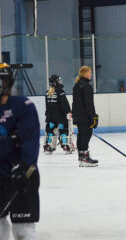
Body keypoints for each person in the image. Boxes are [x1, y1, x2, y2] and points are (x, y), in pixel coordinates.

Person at [0, 63, 40, 240]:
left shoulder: (23, 105)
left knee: (23, 230)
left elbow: (30, 140)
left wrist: (25, 169)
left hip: (20, 174)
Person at [72, 66, 99, 167]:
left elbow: (74, 103)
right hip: (85, 116)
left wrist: (74, 114)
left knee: (81, 135)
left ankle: (81, 156)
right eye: (90, 72)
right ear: (85, 73)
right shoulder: (87, 86)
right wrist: (93, 116)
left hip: (79, 116)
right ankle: (85, 158)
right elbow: (89, 103)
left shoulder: (76, 85)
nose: (91, 74)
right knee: (86, 134)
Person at [43, 74, 73, 154]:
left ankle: (48, 146)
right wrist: (69, 111)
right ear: (56, 82)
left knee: (50, 131)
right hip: (60, 117)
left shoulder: (47, 92)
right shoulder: (60, 92)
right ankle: (66, 145)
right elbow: (64, 103)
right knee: (63, 130)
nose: (60, 81)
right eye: (59, 80)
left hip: (50, 117)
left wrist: (48, 115)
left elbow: (47, 106)